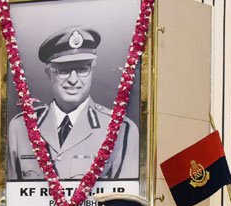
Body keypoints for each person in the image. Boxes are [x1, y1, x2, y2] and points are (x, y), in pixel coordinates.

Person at [7, 26, 139, 180]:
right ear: (49, 73)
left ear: (92, 70)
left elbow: (123, 200)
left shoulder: (122, 130)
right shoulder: (20, 128)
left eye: (82, 69)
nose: (73, 79)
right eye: (63, 71)